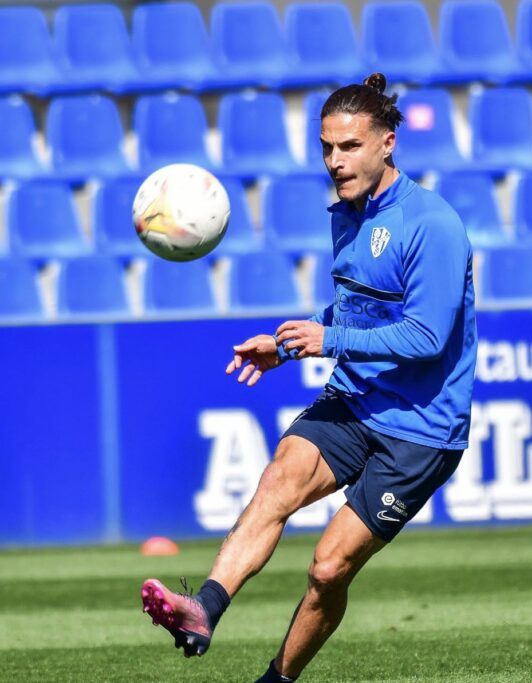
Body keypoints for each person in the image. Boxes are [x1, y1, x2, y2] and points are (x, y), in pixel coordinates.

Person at [140, 73, 477, 683]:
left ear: (387, 142)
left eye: (349, 147)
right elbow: (360, 308)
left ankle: (277, 681)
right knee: (278, 481)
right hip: (356, 399)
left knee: (327, 568)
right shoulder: (346, 214)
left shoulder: (433, 225)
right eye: (327, 147)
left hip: (421, 428)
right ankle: (202, 609)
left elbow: (428, 338)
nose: (334, 161)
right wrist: (291, 346)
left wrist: (330, 340)